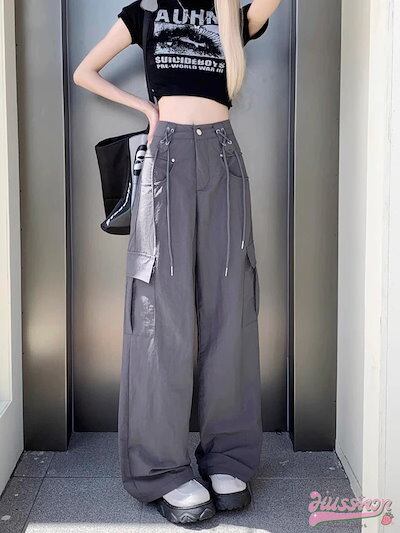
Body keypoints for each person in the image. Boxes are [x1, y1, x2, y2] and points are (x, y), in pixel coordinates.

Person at [73, 0, 281, 524]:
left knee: (231, 308)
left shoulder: (231, 13)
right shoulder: (145, 11)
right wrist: (147, 112)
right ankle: (161, 469)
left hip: (223, 157)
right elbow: (84, 71)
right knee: (159, 313)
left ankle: (228, 457)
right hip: (166, 158)